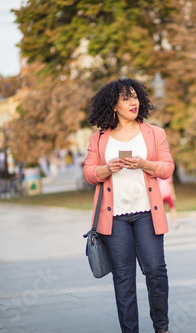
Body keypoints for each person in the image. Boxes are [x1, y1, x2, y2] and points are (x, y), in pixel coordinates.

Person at [83, 78, 174, 333]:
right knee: (123, 280)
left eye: (135, 97)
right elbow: (89, 173)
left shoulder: (155, 133)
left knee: (156, 270)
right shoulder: (99, 139)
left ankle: (162, 328)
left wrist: (145, 164)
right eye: (125, 98)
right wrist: (106, 169)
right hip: (115, 219)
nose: (133, 102)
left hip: (147, 213)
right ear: (113, 105)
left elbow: (168, 168)